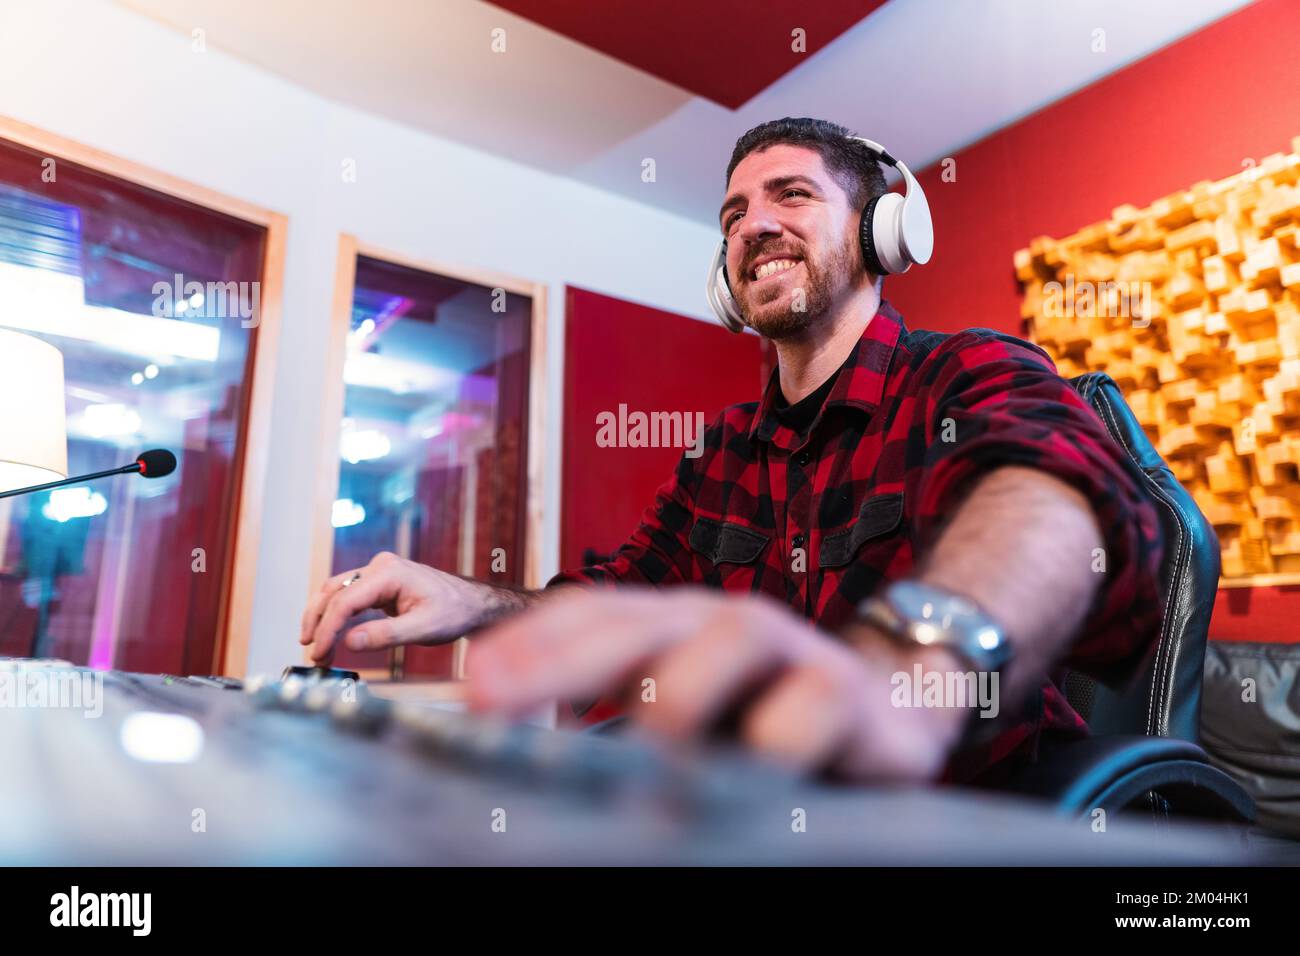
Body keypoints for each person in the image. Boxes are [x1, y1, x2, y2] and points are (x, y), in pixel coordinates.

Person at [300, 118, 1164, 785]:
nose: (754, 225)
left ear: (881, 233)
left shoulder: (965, 370)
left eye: (792, 195)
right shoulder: (722, 454)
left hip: (962, 820)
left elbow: (1056, 492)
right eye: (734, 214)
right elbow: (619, 595)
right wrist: (473, 601)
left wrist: (910, 664)